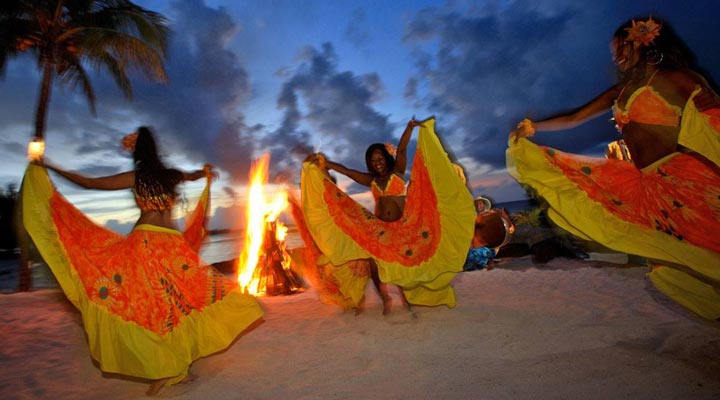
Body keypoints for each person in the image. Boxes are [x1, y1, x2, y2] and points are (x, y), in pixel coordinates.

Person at [22, 127, 264, 395]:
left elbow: (90, 183)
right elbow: (192, 175)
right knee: (178, 301)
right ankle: (174, 367)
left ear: (137, 152)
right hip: (172, 243)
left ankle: (172, 367)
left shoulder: (137, 177)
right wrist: (204, 172)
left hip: (147, 242)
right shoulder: (170, 175)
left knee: (158, 306)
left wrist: (51, 166)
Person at [507, 16, 720, 319]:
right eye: (613, 51)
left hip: (684, 180)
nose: (615, 56)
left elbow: (714, 121)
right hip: (646, 186)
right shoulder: (621, 91)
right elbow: (574, 117)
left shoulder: (677, 78)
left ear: (642, 42)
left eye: (619, 48)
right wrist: (533, 127)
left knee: (709, 245)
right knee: (666, 254)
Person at [300, 117, 476, 314]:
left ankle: (406, 300)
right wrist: (327, 164)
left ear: (386, 157)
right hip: (380, 229)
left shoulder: (398, 172)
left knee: (400, 265)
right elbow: (348, 172)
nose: (378, 163)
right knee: (375, 267)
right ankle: (385, 299)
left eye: (380, 158)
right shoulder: (370, 180)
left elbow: (401, 150)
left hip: (403, 226)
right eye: (373, 161)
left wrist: (409, 128)